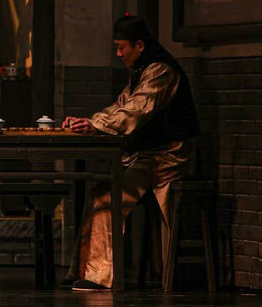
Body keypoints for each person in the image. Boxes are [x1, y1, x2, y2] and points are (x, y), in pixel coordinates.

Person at [63, 15, 199, 292]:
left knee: (107, 197)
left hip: (166, 159)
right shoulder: (142, 71)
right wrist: (91, 122)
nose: (119, 53)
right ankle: (85, 270)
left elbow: (136, 110)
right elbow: (121, 106)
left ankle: (99, 276)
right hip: (149, 157)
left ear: (139, 45)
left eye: (121, 47)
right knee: (99, 192)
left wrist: (96, 125)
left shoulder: (160, 71)